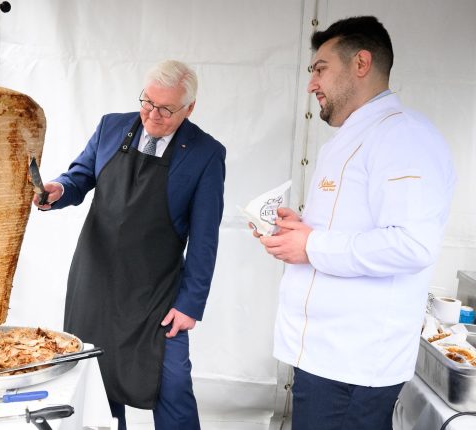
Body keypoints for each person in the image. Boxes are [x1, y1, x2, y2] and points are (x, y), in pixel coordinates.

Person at [253, 16, 455, 430]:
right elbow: (352, 228)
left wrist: (311, 245)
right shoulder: (351, 138)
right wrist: (301, 228)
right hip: (327, 358)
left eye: (320, 69)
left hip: (353, 366)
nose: (311, 84)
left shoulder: (402, 136)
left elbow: (412, 244)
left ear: (361, 63)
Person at [35, 60, 226, 430]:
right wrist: (58, 190)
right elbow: (80, 176)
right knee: (95, 387)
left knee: (172, 385)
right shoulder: (112, 125)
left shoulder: (206, 153)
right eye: (147, 102)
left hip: (156, 292)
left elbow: (206, 238)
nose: (152, 115)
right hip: (96, 283)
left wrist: (190, 305)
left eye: (165, 109)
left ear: (190, 108)